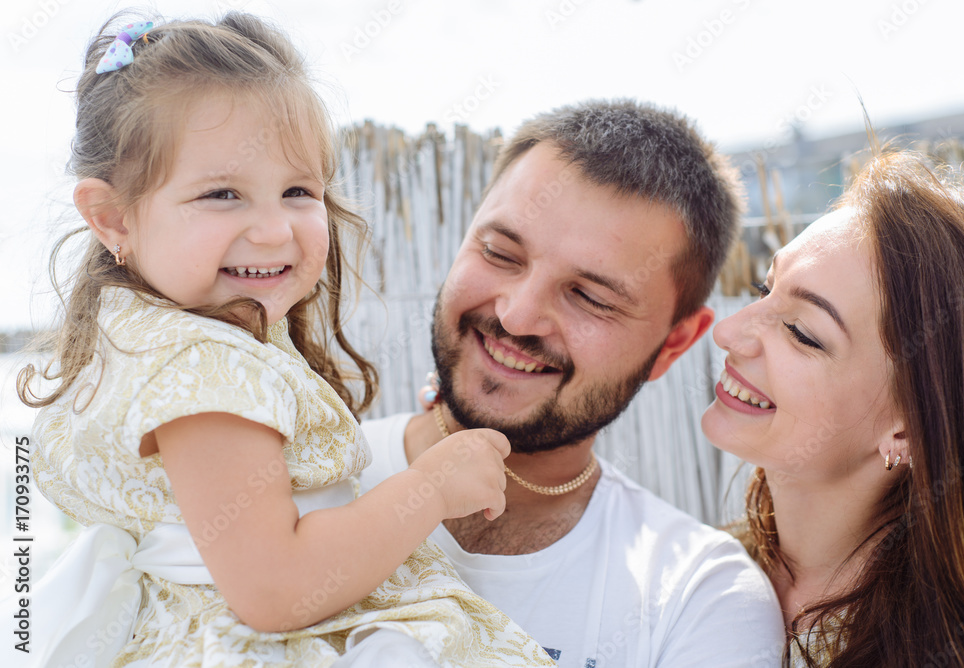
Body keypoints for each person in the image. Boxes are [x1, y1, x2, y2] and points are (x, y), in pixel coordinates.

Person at [10, 13, 556, 668]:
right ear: (112, 217)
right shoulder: (203, 370)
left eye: (298, 190)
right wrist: (429, 488)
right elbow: (275, 588)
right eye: (222, 194)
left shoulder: (163, 335)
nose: (273, 230)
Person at [359, 100, 786, 666]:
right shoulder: (284, 484)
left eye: (590, 298)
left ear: (674, 343)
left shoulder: (699, 597)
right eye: (499, 253)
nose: (516, 317)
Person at [701, 149, 964, 666]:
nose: (727, 333)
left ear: (907, 432)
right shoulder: (692, 568)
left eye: (801, 333)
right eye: (763, 288)